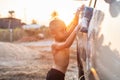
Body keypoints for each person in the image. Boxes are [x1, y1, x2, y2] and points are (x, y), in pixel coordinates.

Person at [46, 5, 84, 80]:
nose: (65, 32)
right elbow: (67, 44)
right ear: (54, 33)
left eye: (65, 29)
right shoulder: (54, 45)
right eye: (61, 30)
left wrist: (77, 14)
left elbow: (73, 24)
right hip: (54, 75)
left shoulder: (64, 36)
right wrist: (76, 30)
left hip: (60, 75)